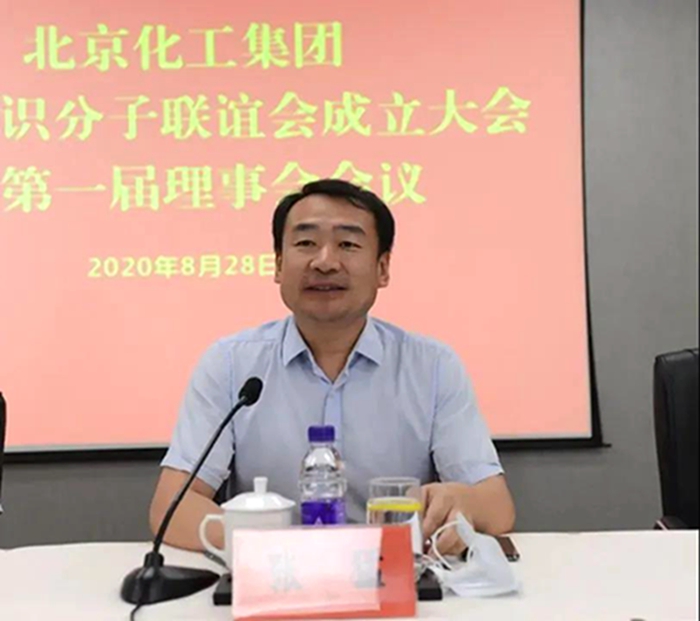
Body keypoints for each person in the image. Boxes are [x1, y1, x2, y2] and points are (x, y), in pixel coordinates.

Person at [150, 179, 515, 556]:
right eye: (306, 243)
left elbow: (497, 506)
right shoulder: (231, 365)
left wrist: (463, 503)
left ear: (382, 268)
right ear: (278, 264)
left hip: (397, 577)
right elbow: (172, 508)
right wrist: (276, 550)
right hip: (274, 578)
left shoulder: (432, 367)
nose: (324, 262)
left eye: (348, 245)